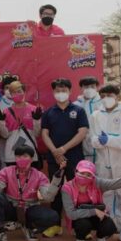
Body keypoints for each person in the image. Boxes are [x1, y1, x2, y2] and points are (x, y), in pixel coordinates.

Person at [89, 83, 121, 241]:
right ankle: (110, 225)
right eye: (103, 96)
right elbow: (92, 139)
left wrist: (109, 140)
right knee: (106, 194)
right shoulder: (96, 115)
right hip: (103, 160)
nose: (106, 99)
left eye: (110, 96)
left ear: (118, 97)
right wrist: (100, 141)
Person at [0, 145, 62, 241]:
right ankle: (1, 232)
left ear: (32, 159)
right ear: (15, 158)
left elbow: (48, 197)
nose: (21, 159)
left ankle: (29, 227)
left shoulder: (39, 175)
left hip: (29, 208)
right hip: (11, 207)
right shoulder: (6, 171)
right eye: (18, 156)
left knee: (53, 216)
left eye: (25, 156)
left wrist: (56, 180)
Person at [41, 78, 89, 222]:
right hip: (54, 159)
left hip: (74, 158)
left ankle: (79, 224)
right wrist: (55, 151)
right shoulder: (49, 112)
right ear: (53, 92)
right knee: (55, 191)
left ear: (70, 91)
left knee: (78, 190)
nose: (61, 93)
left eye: (64, 90)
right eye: (58, 91)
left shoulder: (78, 110)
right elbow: (44, 134)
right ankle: (55, 223)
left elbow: (82, 133)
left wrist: (63, 149)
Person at [0, 81, 43, 167]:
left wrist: (36, 120)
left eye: (19, 91)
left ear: (24, 92)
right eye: (14, 92)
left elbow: (37, 134)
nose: (17, 94)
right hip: (12, 154)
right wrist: (0, 122)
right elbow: (5, 135)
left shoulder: (34, 109)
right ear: (10, 94)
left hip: (30, 153)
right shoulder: (6, 112)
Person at [74, 76, 102, 164]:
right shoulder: (75, 105)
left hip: (100, 143)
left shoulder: (103, 102)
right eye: (86, 87)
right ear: (81, 88)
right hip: (82, 143)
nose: (89, 89)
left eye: (92, 87)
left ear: (97, 88)